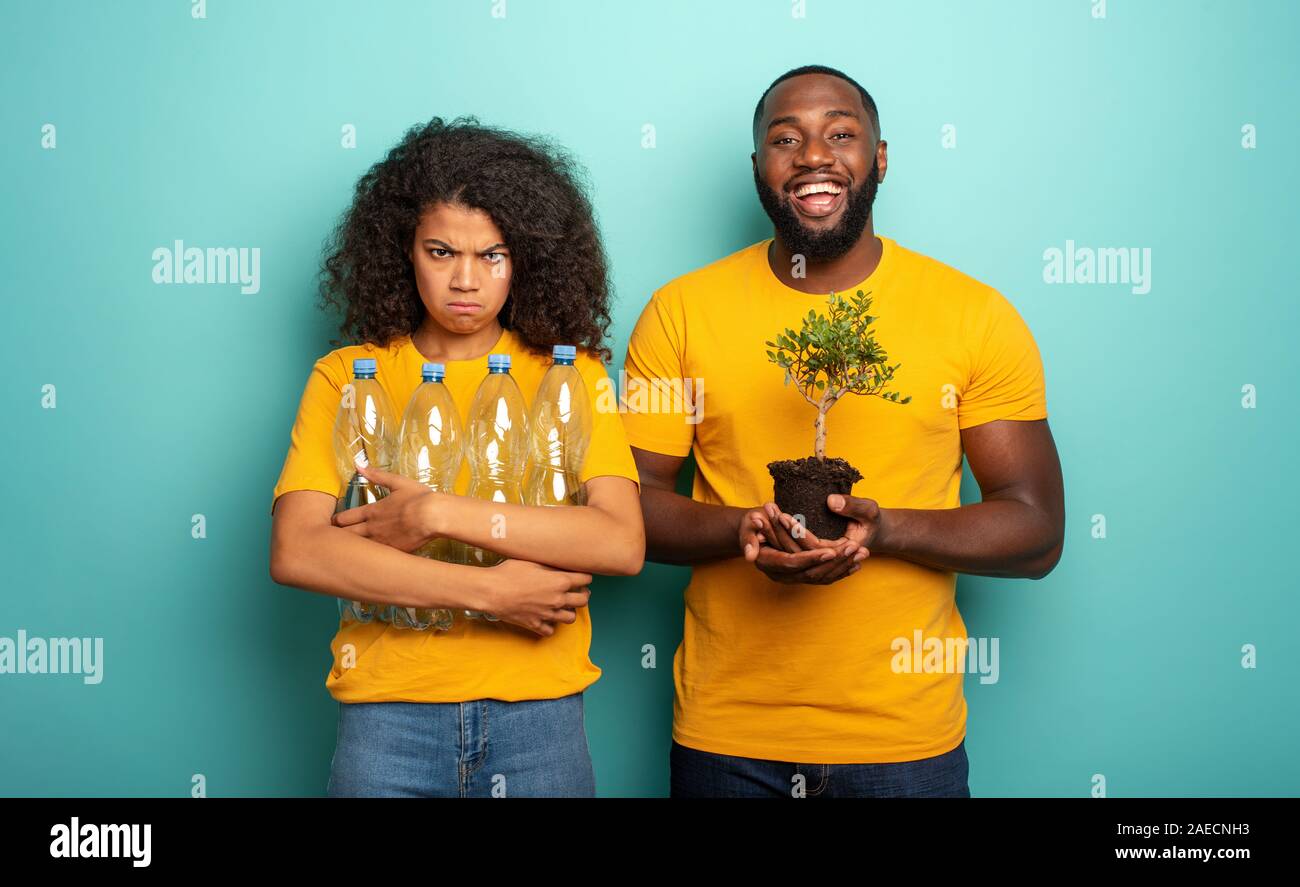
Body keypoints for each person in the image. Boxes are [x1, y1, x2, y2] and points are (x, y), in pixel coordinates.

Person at [620, 65, 1065, 798]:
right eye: (785, 138)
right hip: (726, 737)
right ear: (758, 167)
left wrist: (884, 529)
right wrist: (745, 529)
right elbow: (628, 505)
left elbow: (1037, 530)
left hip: (904, 743)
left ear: (879, 158)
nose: (813, 154)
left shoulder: (974, 316)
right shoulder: (681, 312)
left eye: (841, 134)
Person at [269, 117, 644, 798]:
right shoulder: (348, 376)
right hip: (387, 717)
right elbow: (298, 550)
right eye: (441, 252)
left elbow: (619, 542)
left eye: (492, 255)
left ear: (525, 257)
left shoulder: (571, 376)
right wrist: (489, 591)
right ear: (403, 251)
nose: (465, 280)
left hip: (541, 715)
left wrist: (436, 512)